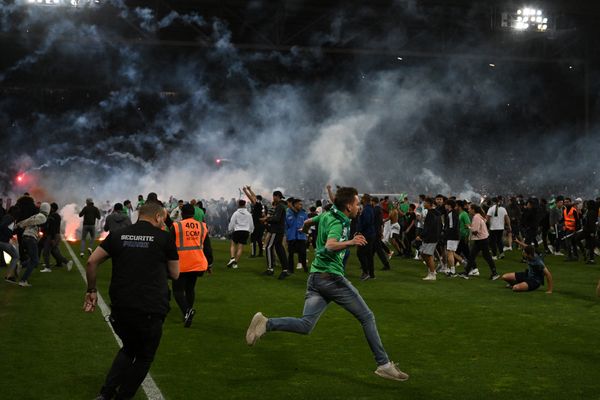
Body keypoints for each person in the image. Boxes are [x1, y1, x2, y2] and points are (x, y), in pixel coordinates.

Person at [245, 187, 409, 382]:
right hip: (331, 279)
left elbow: (307, 222)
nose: (359, 207)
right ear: (349, 206)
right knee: (367, 317)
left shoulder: (328, 213)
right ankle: (383, 364)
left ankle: (267, 323)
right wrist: (351, 242)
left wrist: (305, 230)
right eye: (357, 204)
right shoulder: (337, 223)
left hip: (316, 278)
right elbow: (331, 244)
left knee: (306, 325)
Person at [84, 202, 179, 400]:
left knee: (128, 348)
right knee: (144, 356)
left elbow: (92, 261)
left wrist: (91, 290)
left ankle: (105, 394)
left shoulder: (119, 234)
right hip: (151, 307)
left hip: (121, 306)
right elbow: (175, 273)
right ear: (159, 217)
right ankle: (123, 397)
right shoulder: (164, 237)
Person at [171, 204, 212, 327]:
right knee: (190, 288)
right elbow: (208, 247)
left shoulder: (177, 226)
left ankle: (187, 311)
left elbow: (169, 245)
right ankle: (188, 312)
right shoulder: (202, 226)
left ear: (182, 213)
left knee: (178, 291)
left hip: (181, 263)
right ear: (193, 213)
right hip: (197, 262)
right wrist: (210, 263)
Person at [459, 204, 499, 280]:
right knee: (473, 256)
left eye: (470, 209)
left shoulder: (476, 217)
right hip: (483, 239)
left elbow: (475, 231)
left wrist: (469, 227)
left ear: (473, 210)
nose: (469, 210)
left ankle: (494, 273)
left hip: (481, 240)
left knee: (482, 256)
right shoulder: (479, 216)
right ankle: (466, 273)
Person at [16, 202, 50, 286]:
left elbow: (28, 220)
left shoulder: (37, 215)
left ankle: (21, 265)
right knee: (35, 261)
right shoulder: (43, 217)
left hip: (25, 237)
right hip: (30, 238)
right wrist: (21, 224)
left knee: (33, 259)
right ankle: (23, 280)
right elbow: (31, 222)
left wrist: (20, 224)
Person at [261, 190, 289, 279]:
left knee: (269, 247)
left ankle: (270, 269)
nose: (273, 198)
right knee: (279, 248)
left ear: (277, 196)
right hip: (280, 230)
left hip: (276, 230)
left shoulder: (280, 206)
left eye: (274, 196)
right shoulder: (282, 206)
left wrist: (266, 219)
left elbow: (276, 219)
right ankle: (285, 270)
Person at [41, 202, 73, 272]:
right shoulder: (55, 216)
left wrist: (52, 238)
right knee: (54, 251)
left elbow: (53, 228)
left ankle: (48, 267)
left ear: (52, 208)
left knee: (46, 252)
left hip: (52, 235)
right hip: (54, 235)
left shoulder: (54, 216)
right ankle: (62, 263)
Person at [419, 197, 441, 281]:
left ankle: (432, 274)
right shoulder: (436, 213)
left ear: (429, 203)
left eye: (425, 203)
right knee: (423, 254)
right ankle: (432, 271)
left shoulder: (431, 214)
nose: (423, 204)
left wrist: (421, 236)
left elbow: (428, 228)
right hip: (432, 237)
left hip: (431, 237)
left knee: (428, 255)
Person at [227, 199, 254, 269]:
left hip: (237, 230)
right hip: (245, 231)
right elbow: (251, 224)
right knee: (240, 247)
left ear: (238, 205)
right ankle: (235, 263)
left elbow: (232, 222)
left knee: (233, 245)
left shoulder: (236, 213)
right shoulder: (248, 214)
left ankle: (232, 258)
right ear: (245, 205)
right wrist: (251, 231)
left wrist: (230, 229)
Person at [286, 198, 308, 272]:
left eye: (301, 204)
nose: (301, 206)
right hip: (291, 236)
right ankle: (290, 269)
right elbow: (285, 225)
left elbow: (307, 223)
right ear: (295, 204)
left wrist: (304, 229)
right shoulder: (288, 213)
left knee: (303, 253)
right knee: (291, 254)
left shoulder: (303, 213)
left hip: (301, 236)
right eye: (299, 204)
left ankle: (305, 268)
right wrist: (286, 234)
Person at [2, 206, 21, 283]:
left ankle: (11, 274)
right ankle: (9, 276)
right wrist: (10, 235)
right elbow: (3, 227)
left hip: (3, 241)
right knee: (16, 256)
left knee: (15, 256)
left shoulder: (7, 217)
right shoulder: (10, 218)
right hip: (2, 241)